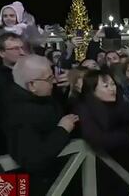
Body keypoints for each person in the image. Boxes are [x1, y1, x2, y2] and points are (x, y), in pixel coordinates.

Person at [5, 55, 79, 196]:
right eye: (49, 79)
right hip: (37, 187)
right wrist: (62, 130)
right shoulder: (21, 114)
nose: (55, 81)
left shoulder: (38, 98)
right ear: (31, 85)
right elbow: (33, 159)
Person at [77, 69, 129, 196]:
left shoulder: (121, 105)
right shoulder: (84, 109)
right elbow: (99, 140)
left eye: (113, 84)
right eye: (106, 86)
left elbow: (126, 132)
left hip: (123, 168)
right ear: (92, 90)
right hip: (99, 172)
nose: (112, 88)